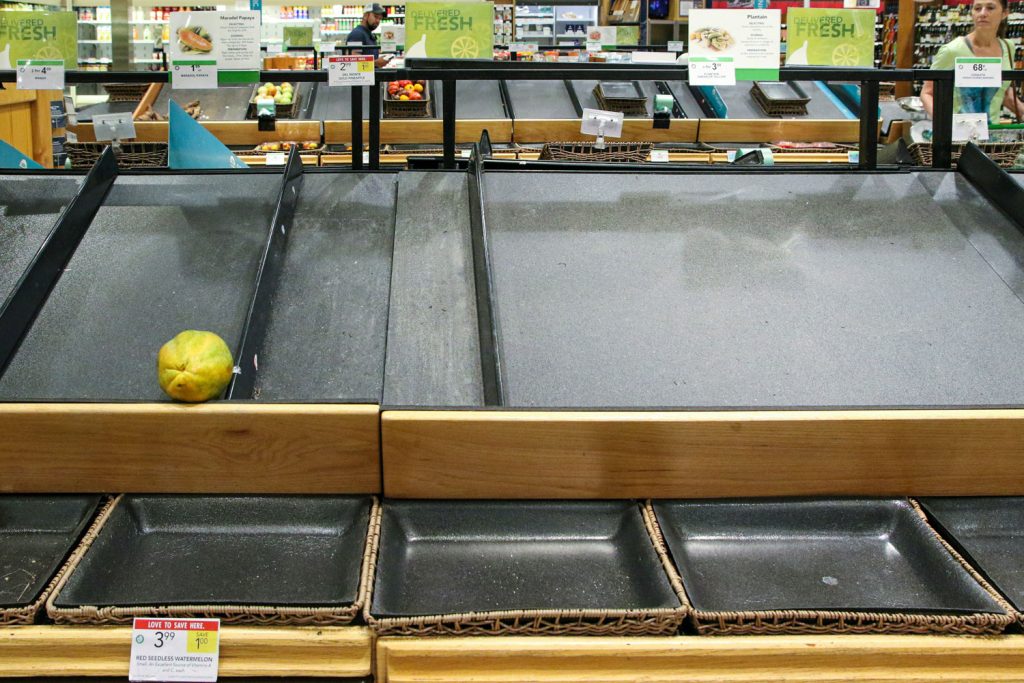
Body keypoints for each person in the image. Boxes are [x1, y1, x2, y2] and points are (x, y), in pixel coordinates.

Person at [921, 0, 1024, 122]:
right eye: (977, 8)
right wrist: (944, 124)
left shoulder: (1008, 47)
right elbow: (927, 93)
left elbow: (1006, 94)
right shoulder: (952, 50)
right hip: (959, 135)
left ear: (1005, 13)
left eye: (990, 8)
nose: (982, 13)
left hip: (992, 135)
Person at [346, 3, 393, 68]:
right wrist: (376, 63)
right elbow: (354, 62)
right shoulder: (357, 34)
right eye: (376, 17)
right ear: (365, 16)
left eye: (380, 19)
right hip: (362, 77)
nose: (378, 21)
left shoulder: (368, 33)